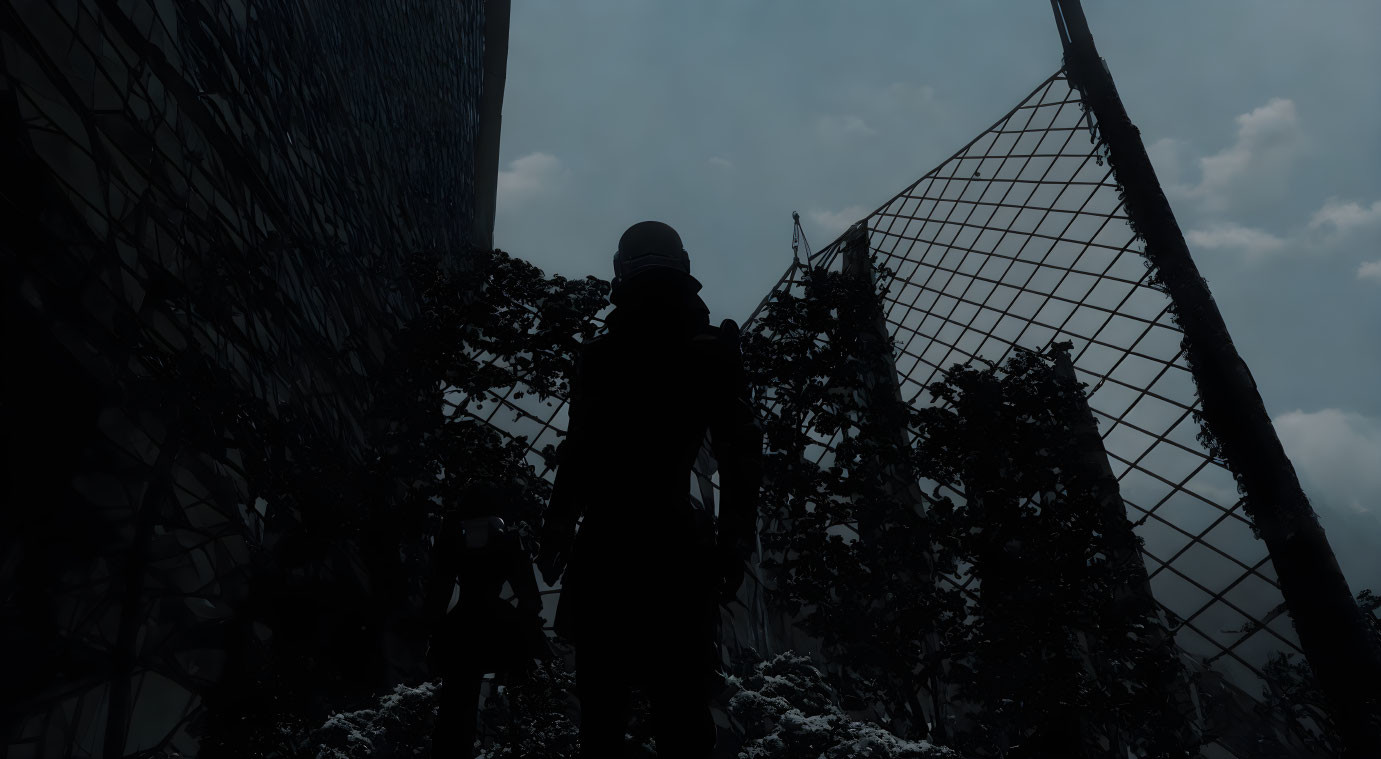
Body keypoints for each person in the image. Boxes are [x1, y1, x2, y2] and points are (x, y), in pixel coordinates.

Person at [536, 221, 762, 759]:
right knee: (680, 709)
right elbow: (740, 456)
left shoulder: (600, 355)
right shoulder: (711, 349)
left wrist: (558, 530)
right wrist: (734, 539)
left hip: (608, 543)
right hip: (674, 546)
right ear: (682, 269)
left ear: (621, 273)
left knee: (603, 714)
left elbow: (580, 454)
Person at [424, 481, 550, 758]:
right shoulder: (506, 538)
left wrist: (431, 631)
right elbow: (530, 596)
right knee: (516, 705)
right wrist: (525, 626)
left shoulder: (454, 536)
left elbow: (438, 592)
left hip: (462, 631)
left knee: (455, 711)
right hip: (499, 629)